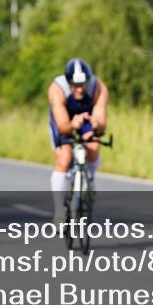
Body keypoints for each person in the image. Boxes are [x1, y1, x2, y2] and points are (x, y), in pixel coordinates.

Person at [47, 58, 109, 221]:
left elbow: (102, 126)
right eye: (75, 85)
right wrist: (72, 124)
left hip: (86, 118)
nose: (80, 89)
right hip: (64, 121)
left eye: (83, 84)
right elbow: (62, 126)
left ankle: (89, 180)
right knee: (64, 158)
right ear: (68, 82)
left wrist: (97, 125)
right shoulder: (57, 89)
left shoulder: (98, 88)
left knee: (93, 147)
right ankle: (59, 210)